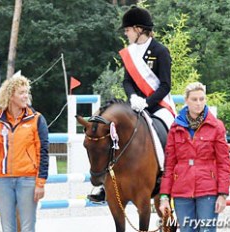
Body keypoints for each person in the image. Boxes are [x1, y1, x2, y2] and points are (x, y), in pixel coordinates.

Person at [87, 6, 175, 203]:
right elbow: (127, 81)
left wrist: (147, 102)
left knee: (170, 130)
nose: (126, 34)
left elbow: (166, 85)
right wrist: (133, 98)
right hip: (135, 104)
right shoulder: (131, 53)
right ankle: (104, 183)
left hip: (159, 105)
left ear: (138, 29)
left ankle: (165, 175)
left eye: (127, 30)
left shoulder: (160, 51)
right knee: (110, 133)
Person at [0, 75, 49, 232]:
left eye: (26, 92)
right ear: (10, 95)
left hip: (27, 180)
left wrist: (40, 183)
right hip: (2, 182)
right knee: (7, 227)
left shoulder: (36, 119)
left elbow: (43, 152)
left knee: (27, 227)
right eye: (21, 92)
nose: (25, 96)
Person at [159, 82, 230, 232]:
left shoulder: (216, 126)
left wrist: (223, 194)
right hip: (182, 191)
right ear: (186, 101)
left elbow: (224, 163)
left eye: (201, 99)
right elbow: (169, 164)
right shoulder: (175, 128)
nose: (199, 103)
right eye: (194, 99)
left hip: (208, 191)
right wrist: (164, 196)